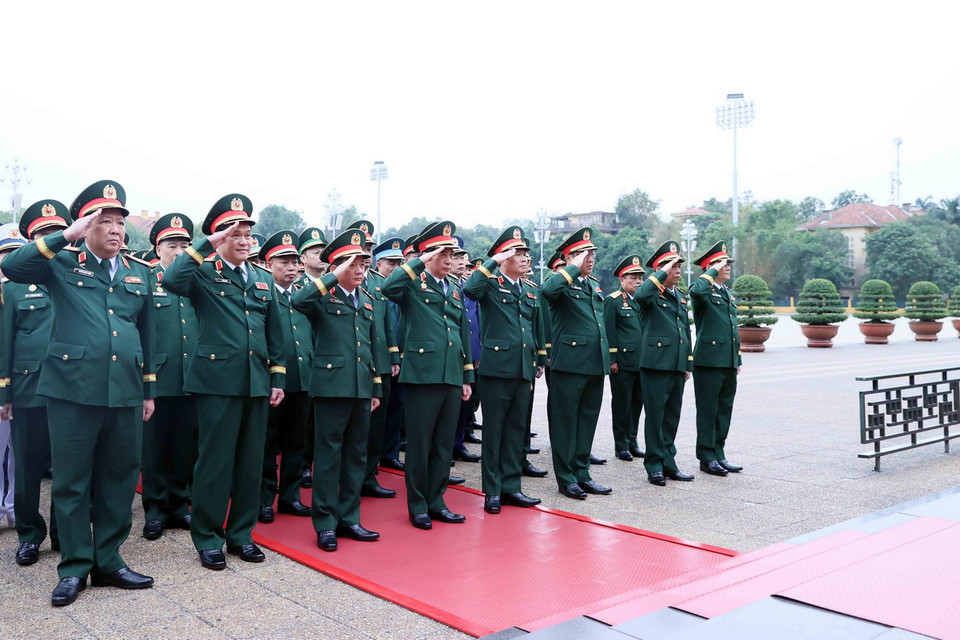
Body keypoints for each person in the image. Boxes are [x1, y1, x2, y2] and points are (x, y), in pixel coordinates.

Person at [3, 180, 157, 606]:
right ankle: (74, 567)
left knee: (119, 480)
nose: (114, 230)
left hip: (125, 391)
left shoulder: (138, 272)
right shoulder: (61, 264)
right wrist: (65, 234)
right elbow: (15, 266)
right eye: (104, 222)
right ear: (85, 227)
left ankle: (108, 560)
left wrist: (149, 390)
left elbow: (147, 334)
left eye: (119, 223)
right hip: (72, 391)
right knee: (71, 484)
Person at [162, 194, 285, 571]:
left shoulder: (263, 279)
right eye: (235, 234)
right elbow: (171, 278)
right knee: (215, 462)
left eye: (248, 234)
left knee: (251, 462)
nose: (245, 241)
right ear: (220, 239)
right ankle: (208, 537)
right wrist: (206, 246)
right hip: (217, 381)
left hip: (256, 382)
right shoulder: (202, 272)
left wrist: (276, 375)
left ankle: (241, 535)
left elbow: (274, 333)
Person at [293, 229, 382, 551]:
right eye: (353, 265)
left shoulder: (368, 301)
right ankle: (326, 523)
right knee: (328, 457)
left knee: (356, 455)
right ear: (338, 267)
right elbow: (297, 300)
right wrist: (333, 276)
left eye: (363, 265)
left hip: (360, 387)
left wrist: (375, 387)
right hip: (332, 387)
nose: (360, 271)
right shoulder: (321, 296)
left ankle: (350, 517)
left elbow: (372, 347)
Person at [381, 221, 473, 530]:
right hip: (422, 374)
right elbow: (388, 287)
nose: (449, 261)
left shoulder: (456, 287)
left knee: (443, 444)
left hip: (450, 373)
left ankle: (437, 500)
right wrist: (419, 259)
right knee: (420, 444)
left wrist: (466, 376)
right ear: (429, 255)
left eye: (452, 255)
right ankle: (418, 504)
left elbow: (461, 332)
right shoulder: (413, 283)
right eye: (443, 255)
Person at [463, 226, 545, 514]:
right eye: (517, 254)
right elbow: (469, 288)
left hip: (522, 369)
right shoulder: (491, 285)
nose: (524, 259)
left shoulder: (529, 290)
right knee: (495, 432)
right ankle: (493, 490)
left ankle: (512, 486)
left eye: (525, 254)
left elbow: (532, 328)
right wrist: (493, 261)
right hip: (496, 369)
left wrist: (537, 362)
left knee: (515, 431)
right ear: (504, 258)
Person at [1, 204, 66, 564]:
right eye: (42, 236)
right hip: (29, 391)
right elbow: (4, 344)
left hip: (72, 389)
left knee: (69, 469)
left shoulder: (76, 279)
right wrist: (4, 394)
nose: (49, 242)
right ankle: (29, 534)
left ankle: (62, 534)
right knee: (27, 468)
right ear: (32, 242)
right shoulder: (12, 288)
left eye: (55, 233)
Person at [540, 228, 612, 500]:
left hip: (594, 364)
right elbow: (548, 290)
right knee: (565, 422)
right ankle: (566, 478)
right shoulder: (560, 282)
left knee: (586, 421)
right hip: (569, 364)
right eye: (584, 254)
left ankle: (583, 473)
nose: (590, 258)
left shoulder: (591, 284)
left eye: (592, 253)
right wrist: (571, 268)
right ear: (570, 257)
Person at [141, 213, 199, 540]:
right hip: (157, 376)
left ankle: (179, 505)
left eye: (184, 245)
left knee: (183, 445)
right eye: (171, 245)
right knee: (154, 447)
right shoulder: (148, 279)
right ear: (157, 248)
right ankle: (155, 509)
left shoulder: (195, 280)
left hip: (190, 375)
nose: (178, 251)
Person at [258, 231, 313, 522]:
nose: (291, 267)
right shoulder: (262, 293)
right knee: (268, 442)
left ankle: (290, 496)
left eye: (294, 262)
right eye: (284, 262)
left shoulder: (305, 294)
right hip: (272, 380)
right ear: (268, 264)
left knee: (296, 442)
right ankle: (264, 498)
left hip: (302, 379)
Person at [344, 221, 401, 500]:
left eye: (368, 248)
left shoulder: (380, 283)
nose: (365, 254)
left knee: (376, 426)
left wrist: (392, 355)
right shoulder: (339, 281)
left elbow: (387, 322)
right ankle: (346, 479)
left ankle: (369, 475)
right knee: (351, 428)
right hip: (351, 364)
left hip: (378, 363)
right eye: (361, 248)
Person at [636, 241, 694, 486]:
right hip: (656, 364)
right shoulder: (650, 293)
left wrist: (688, 363)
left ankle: (669, 462)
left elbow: (685, 331)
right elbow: (640, 294)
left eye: (680, 265)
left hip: (676, 365)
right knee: (656, 417)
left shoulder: (679, 296)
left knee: (672, 416)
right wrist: (661, 273)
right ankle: (654, 465)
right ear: (661, 270)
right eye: (673, 266)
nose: (678, 270)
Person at [689, 241, 743, 476]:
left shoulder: (726, 293)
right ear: (708, 268)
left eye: (728, 262)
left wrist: (737, 358)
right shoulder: (703, 291)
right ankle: (706, 456)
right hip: (708, 361)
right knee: (708, 410)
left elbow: (732, 329)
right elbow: (696, 290)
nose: (727, 266)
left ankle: (719, 453)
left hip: (727, 360)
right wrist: (712, 270)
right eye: (722, 263)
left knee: (724, 409)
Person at [603, 255, 646, 462]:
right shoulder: (613, 301)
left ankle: (632, 441)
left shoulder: (643, 301)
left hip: (642, 362)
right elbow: (609, 331)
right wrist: (612, 359)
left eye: (640, 278)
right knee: (622, 404)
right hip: (622, 363)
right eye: (633, 278)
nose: (638, 282)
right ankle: (621, 445)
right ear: (622, 280)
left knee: (637, 403)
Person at [0, 223, 27, 535]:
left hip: (11, 381)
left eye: (15, 253)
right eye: (5, 252)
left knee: (7, 450)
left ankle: (8, 508)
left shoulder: (19, 292)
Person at [296, 226, 328, 488]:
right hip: (302, 361)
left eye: (323, 252)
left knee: (319, 421)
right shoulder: (298, 287)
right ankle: (302, 467)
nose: (321, 256)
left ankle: (314, 463)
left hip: (325, 362)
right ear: (303, 258)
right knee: (301, 423)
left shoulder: (334, 284)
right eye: (316, 252)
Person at [372, 237, 407, 473]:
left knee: (396, 407)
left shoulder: (406, 286)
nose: (395, 268)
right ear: (377, 264)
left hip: (404, 356)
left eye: (399, 263)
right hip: (379, 357)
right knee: (377, 413)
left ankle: (390, 453)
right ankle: (371, 460)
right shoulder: (373, 285)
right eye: (390, 263)